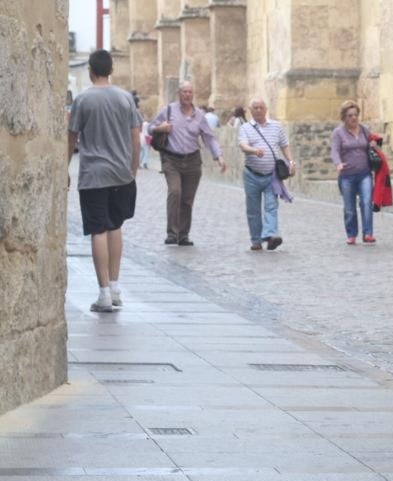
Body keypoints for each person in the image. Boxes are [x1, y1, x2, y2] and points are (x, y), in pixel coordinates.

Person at [66, 50, 141, 313]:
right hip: (121, 173)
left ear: (90, 70)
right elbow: (136, 137)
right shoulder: (125, 99)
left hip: (94, 175)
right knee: (115, 226)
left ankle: (104, 293)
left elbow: (72, 137)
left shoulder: (83, 99)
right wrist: (132, 170)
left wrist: (64, 166)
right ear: (110, 69)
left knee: (98, 230)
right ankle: (116, 286)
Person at [149, 81, 227, 246]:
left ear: (193, 94)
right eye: (184, 92)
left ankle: (183, 235)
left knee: (187, 199)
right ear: (179, 94)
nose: (187, 95)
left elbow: (209, 137)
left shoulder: (199, 115)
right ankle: (172, 233)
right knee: (175, 192)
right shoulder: (168, 110)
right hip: (171, 159)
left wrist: (219, 156)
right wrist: (160, 128)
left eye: (190, 92)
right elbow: (150, 127)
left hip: (192, 161)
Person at [238, 97, 296, 250]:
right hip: (251, 175)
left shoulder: (276, 126)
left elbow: (284, 145)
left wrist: (291, 162)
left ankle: (271, 236)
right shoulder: (245, 128)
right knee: (253, 209)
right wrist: (254, 151)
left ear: (266, 109)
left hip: (271, 175)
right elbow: (243, 145)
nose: (258, 110)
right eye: (255, 108)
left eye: (261, 107)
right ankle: (256, 241)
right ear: (251, 111)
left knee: (271, 206)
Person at [331, 100, 379, 244]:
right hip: (347, 175)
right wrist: (338, 164)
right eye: (350, 115)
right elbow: (334, 150)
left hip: (364, 173)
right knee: (349, 207)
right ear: (344, 117)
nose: (353, 118)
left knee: (366, 202)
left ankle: (368, 233)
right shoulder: (338, 133)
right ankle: (351, 234)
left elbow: (372, 145)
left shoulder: (364, 129)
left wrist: (373, 145)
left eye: (356, 115)